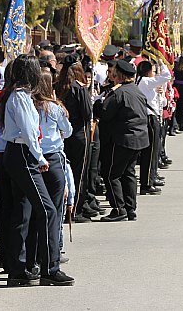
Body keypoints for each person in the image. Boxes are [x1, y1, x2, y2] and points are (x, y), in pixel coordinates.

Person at [0, 54, 74, 287]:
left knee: (24, 211)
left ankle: (20, 267)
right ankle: (50, 267)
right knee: (48, 210)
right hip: (23, 154)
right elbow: (29, 131)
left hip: (19, 153)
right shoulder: (20, 96)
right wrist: (39, 157)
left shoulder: (19, 95)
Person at [97, 60, 149, 221]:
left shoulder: (120, 93)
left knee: (112, 174)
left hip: (123, 138)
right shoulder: (135, 90)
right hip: (139, 137)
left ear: (118, 75)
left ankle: (119, 208)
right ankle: (130, 208)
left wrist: (98, 102)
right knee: (128, 173)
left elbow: (105, 113)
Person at [31, 70, 72, 266]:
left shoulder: (29, 105)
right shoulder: (55, 108)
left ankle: (37, 252)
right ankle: (51, 252)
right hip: (52, 158)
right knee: (54, 209)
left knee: (37, 209)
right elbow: (68, 131)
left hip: (33, 157)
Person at [55, 55, 97, 222]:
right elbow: (87, 113)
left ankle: (66, 207)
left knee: (65, 171)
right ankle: (75, 210)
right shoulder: (79, 89)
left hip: (62, 135)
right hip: (79, 133)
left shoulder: (57, 86)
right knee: (79, 173)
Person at [136, 60, 171, 195]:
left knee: (153, 151)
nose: (154, 74)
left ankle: (150, 179)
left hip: (152, 116)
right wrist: (162, 63)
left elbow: (161, 102)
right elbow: (167, 76)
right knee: (150, 152)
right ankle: (147, 183)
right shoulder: (145, 81)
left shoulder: (143, 82)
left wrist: (160, 92)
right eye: (153, 71)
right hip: (150, 118)